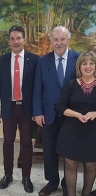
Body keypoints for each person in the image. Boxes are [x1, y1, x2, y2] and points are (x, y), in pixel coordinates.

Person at [33, 26, 80, 196]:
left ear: (68, 40)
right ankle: (52, 182)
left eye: (62, 39)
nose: (59, 43)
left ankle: (68, 183)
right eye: (56, 39)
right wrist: (37, 112)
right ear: (51, 40)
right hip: (48, 115)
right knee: (49, 151)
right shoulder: (42, 61)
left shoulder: (79, 58)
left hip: (71, 115)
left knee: (70, 152)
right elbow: (37, 88)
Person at [0, 25, 39, 193]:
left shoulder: (35, 60)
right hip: (8, 108)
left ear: (24, 39)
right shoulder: (2, 60)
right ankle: (8, 175)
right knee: (7, 144)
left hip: (26, 110)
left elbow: (37, 88)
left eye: (18, 38)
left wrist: (37, 110)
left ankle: (26, 177)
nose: (15, 41)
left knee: (27, 144)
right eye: (12, 38)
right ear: (9, 41)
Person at [55, 51, 96, 196]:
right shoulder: (71, 84)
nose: (88, 66)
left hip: (92, 132)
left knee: (91, 164)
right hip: (71, 130)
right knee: (70, 163)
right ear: (79, 66)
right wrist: (77, 114)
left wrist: (94, 113)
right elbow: (60, 106)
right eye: (84, 63)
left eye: (91, 63)